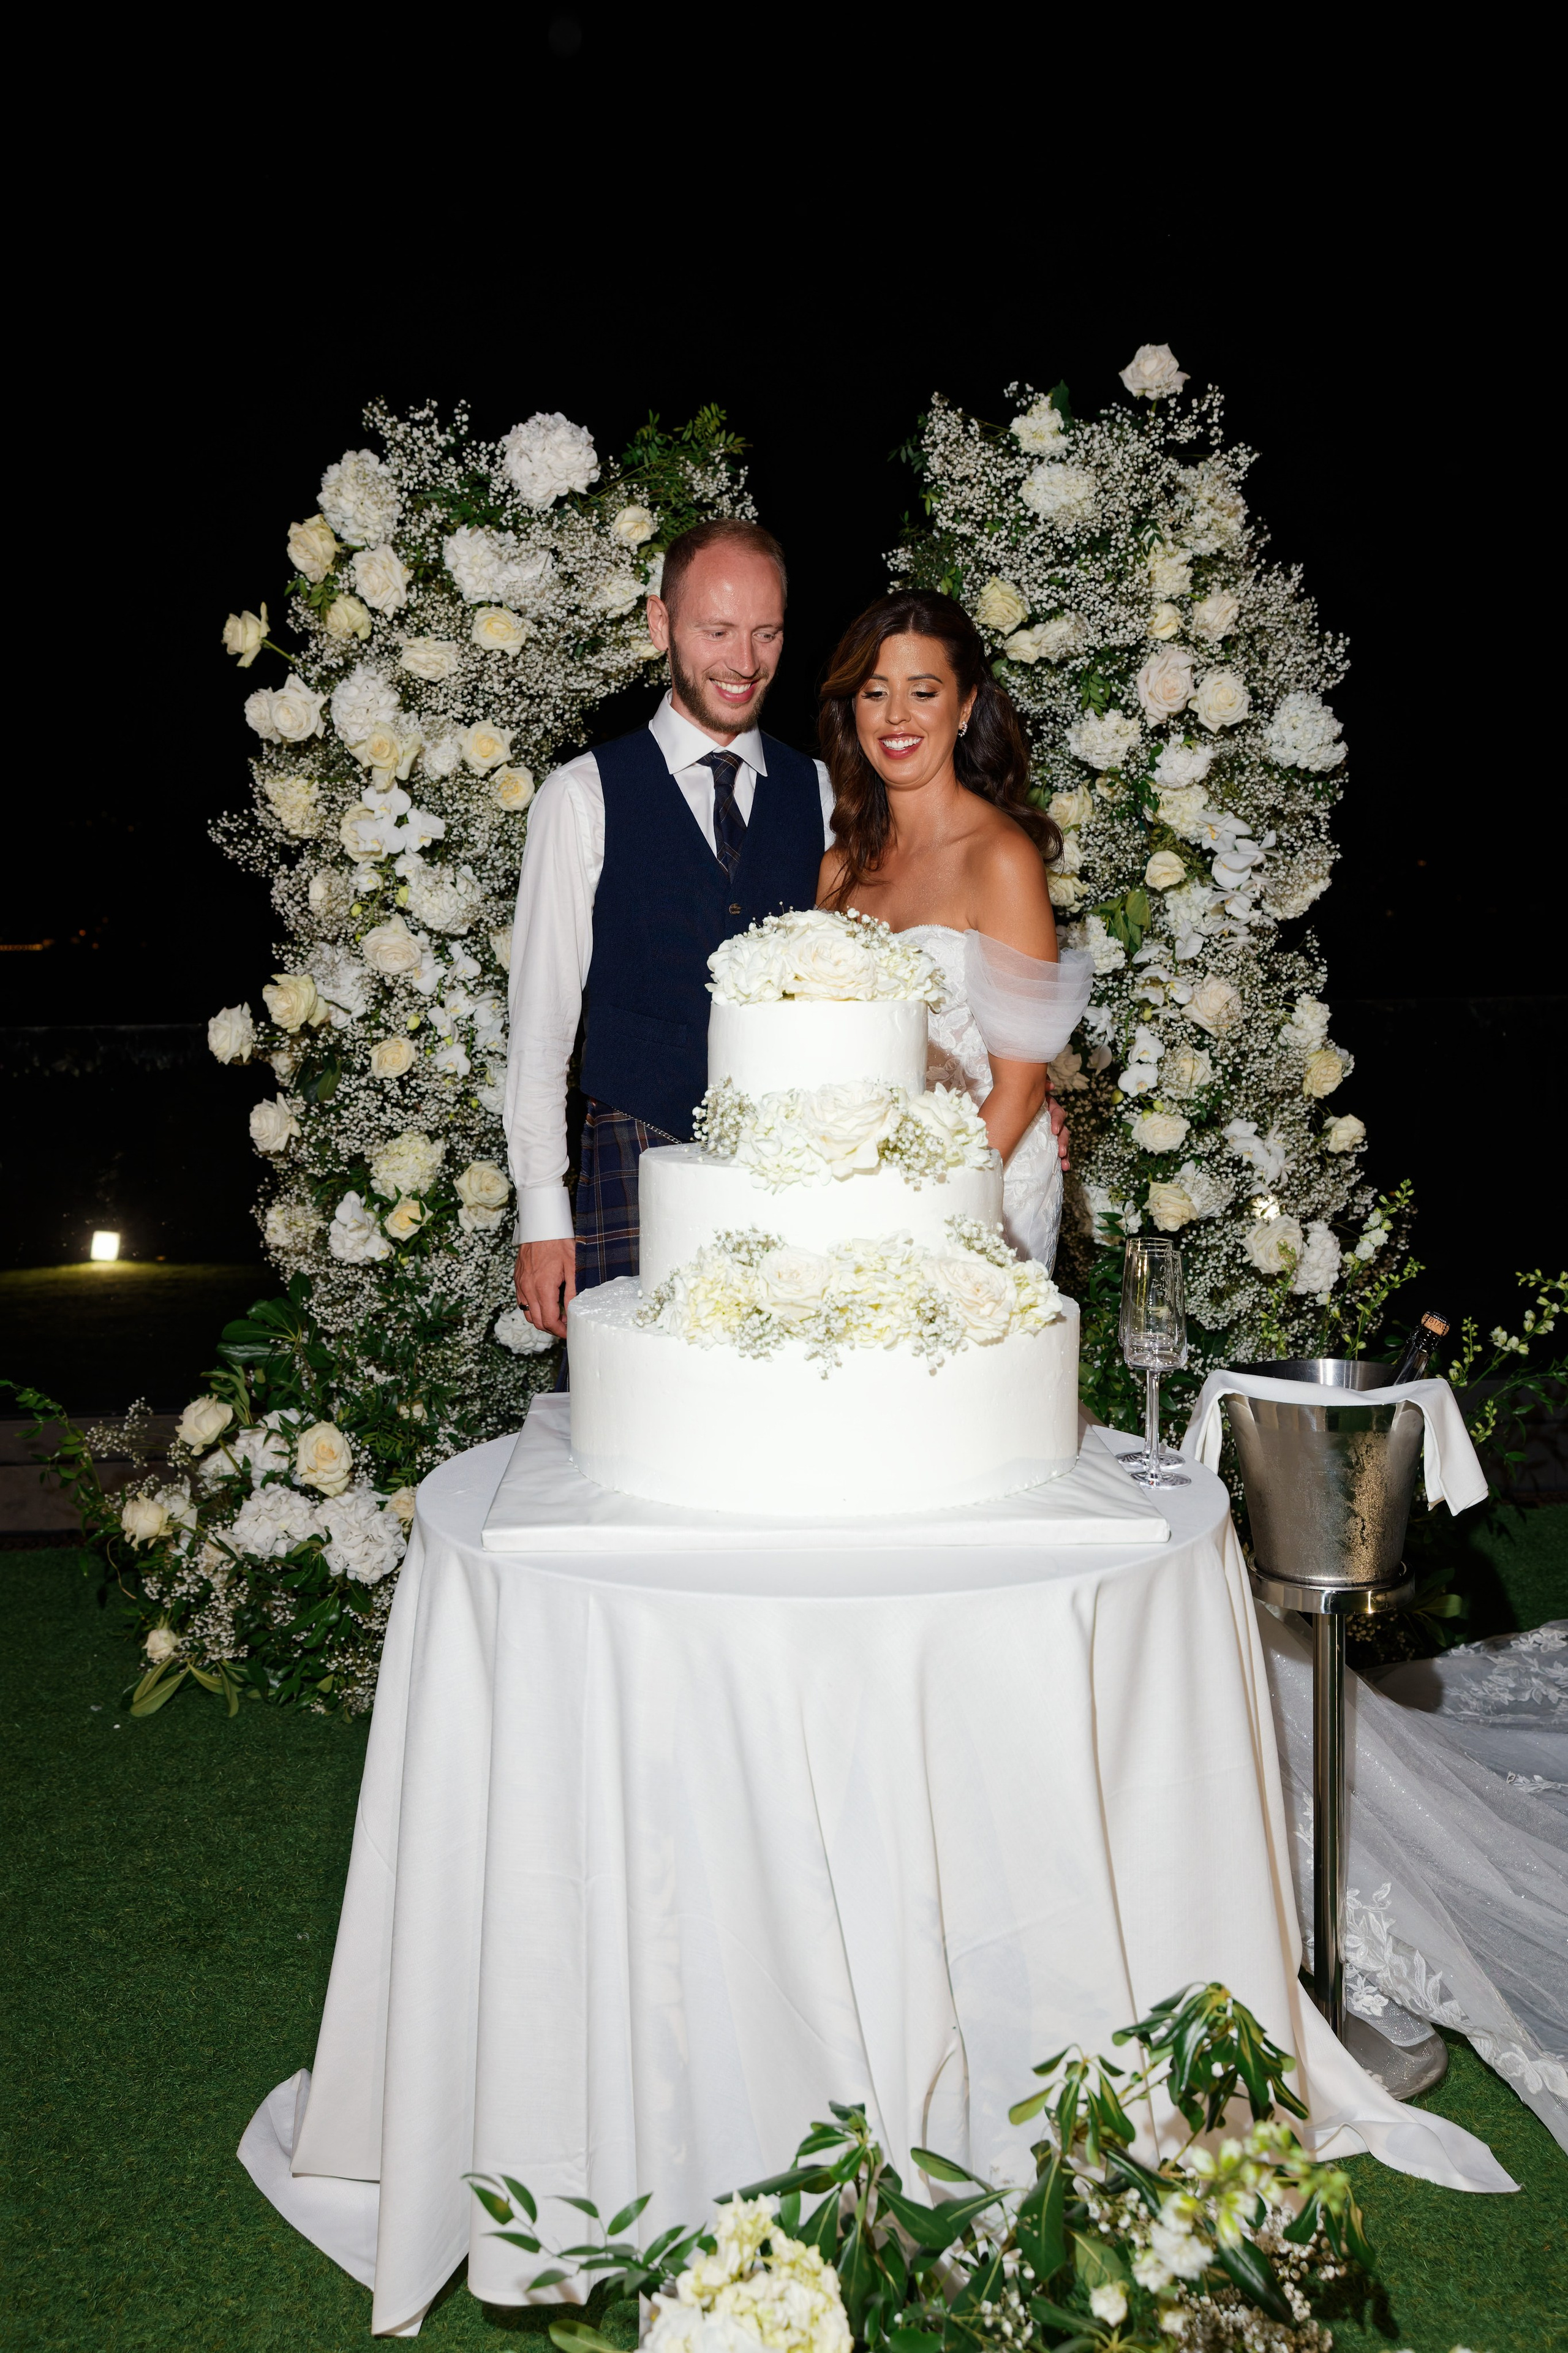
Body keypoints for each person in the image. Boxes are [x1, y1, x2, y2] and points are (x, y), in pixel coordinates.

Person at [506, 519, 834, 1342]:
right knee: (629, 1444)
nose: (745, 662)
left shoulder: (824, 794)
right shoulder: (580, 798)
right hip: (632, 1163)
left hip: (793, 1178)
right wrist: (542, 1211)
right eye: (716, 631)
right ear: (660, 625)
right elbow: (541, 1024)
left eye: (767, 633)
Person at [818, 591, 1090, 1271]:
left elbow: (1022, 1086)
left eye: (923, 691)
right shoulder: (836, 870)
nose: (896, 716)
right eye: (875, 692)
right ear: (853, 708)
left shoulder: (998, 858)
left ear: (965, 706)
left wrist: (930, 1210)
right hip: (862, 1189)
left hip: (981, 1188)